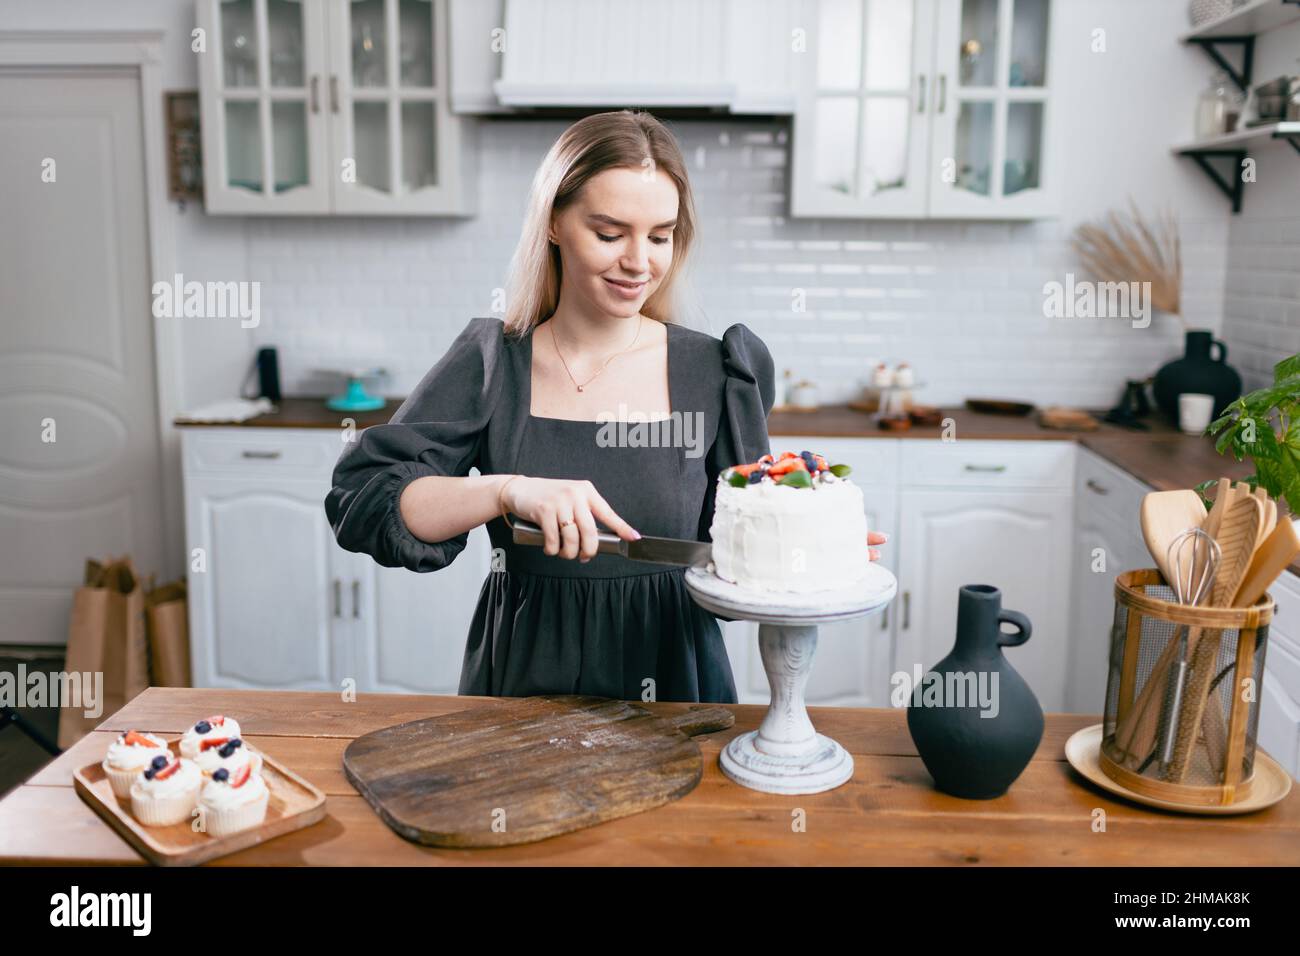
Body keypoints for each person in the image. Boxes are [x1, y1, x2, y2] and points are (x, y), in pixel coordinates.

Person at [325, 109, 885, 704]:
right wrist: (505, 489)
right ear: (554, 224)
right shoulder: (495, 361)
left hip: (673, 685)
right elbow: (364, 501)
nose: (639, 262)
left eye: (660, 236)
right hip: (521, 686)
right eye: (610, 233)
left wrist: (812, 544)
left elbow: (739, 557)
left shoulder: (717, 372)